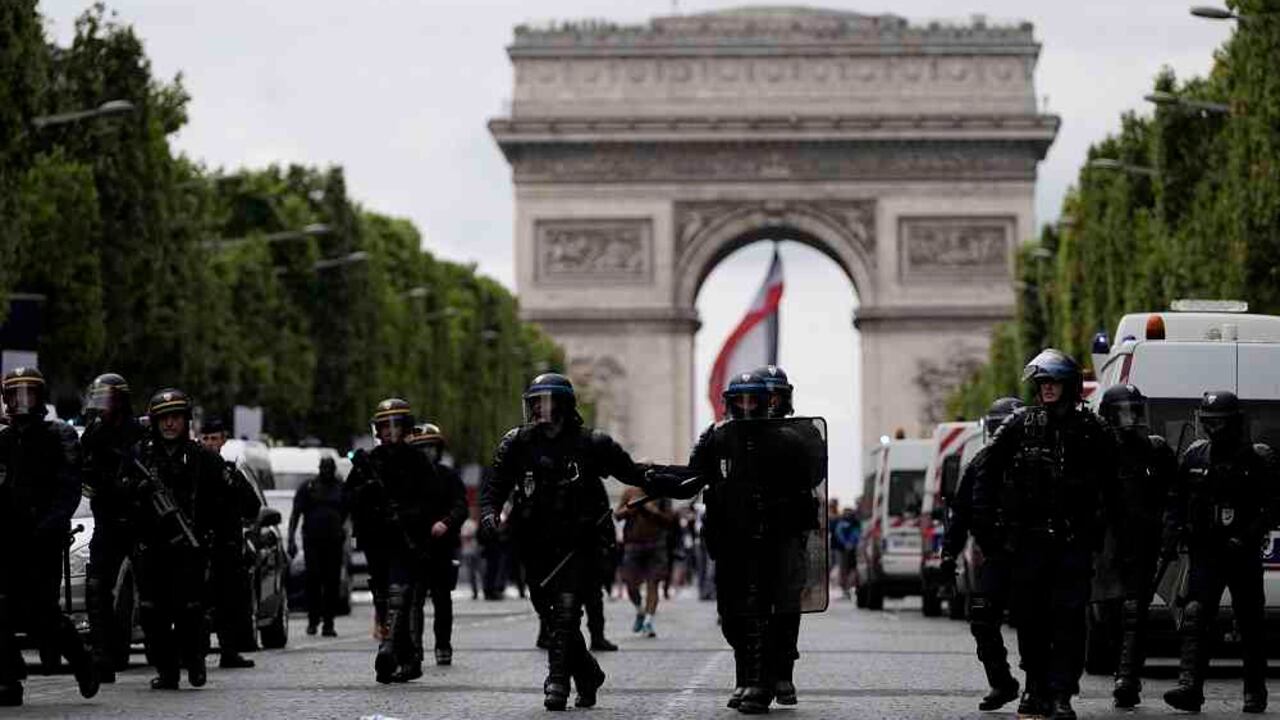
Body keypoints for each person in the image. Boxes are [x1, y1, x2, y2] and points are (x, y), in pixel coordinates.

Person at [649, 368, 827, 715]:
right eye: (740, 400)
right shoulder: (717, 438)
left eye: (755, 400)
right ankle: (747, 677)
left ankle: (762, 683)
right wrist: (652, 477)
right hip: (732, 537)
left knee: (768, 610)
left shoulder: (792, 440)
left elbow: (810, 479)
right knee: (732, 615)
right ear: (730, 403)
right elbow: (693, 477)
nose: (747, 406)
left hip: (777, 537)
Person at [480, 373, 648, 711]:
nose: (539, 410)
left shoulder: (591, 444)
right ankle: (588, 674)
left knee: (566, 614)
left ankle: (557, 682)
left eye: (546, 402)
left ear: (564, 406)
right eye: (535, 403)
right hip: (534, 543)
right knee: (548, 611)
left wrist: (681, 477)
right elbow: (494, 487)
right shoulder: (517, 443)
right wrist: (490, 514)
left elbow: (633, 473)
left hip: (577, 544)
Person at [970, 350, 1116, 720]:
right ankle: (1035, 687)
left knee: (1069, 619)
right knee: (1030, 618)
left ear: (1069, 386)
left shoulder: (1093, 429)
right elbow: (985, 472)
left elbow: (1112, 485)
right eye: (1043, 383)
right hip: (1028, 542)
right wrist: (988, 531)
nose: (1047, 389)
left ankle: (1062, 691)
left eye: (1053, 382)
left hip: (1072, 540)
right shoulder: (1019, 425)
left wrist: (1101, 531)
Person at [1162, 390, 1277, 714]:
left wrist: (1246, 536)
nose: (1213, 429)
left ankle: (1254, 692)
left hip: (1242, 553)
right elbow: (1177, 500)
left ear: (1235, 423)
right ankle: (1190, 687)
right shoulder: (1196, 456)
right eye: (1208, 422)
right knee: (1196, 616)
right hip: (1206, 553)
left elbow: (1270, 507)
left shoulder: (1256, 459)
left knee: (1250, 624)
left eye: (1220, 423)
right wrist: (1172, 535)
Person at [0, 367, 98, 706]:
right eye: (15, 394)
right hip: (9, 538)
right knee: (2, 608)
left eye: (28, 393)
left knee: (41, 613)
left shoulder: (60, 435)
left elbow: (70, 487)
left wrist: (50, 524)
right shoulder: (4, 440)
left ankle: (81, 659)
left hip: (44, 537)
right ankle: (8, 680)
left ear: (40, 397)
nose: (21, 401)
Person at [129, 388, 227, 690]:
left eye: (176, 418)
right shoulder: (141, 457)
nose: (170, 424)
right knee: (152, 613)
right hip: (153, 549)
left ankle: (195, 660)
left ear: (185, 421)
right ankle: (167, 670)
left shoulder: (203, 460)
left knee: (190, 612)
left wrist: (212, 540)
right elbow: (119, 498)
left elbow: (220, 505)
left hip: (189, 549)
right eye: (164, 419)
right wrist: (137, 493)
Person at [345, 398, 441, 684]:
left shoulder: (417, 460)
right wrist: (366, 492)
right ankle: (407, 658)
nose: (389, 432)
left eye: (395, 426)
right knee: (384, 598)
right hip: (377, 538)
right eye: (384, 426)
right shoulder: (369, 461)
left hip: (406, 538)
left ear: (406, 428)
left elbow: (432, 499)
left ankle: (387, 649)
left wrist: (409, 515)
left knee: (400, 596)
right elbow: (347, 498)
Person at [1091, 385, 1175, 708]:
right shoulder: (1099, 452)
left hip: (1142, 541)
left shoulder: (1155, 451)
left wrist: (1168, 527)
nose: (1131, 419)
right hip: (1108, 542)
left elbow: (1174, 494)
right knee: (1109, 612)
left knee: (1134, 611)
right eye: (1124, 412)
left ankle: (1127, 677)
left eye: (1135, 411)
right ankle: (1121, 667)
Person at [940, 396, 1024, 711]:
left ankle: (1040, 688)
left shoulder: (1038, 461)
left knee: (1033, 622)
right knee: (982, 616)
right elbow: (961, 513)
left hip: (1033, 554)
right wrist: (948, 554)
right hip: (996, 555)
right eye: (996, 427)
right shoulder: (980, 463)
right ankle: (1001, 682)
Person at [80, 372, 146, 682]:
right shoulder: (93, 434)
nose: (101, 405)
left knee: (153, 588)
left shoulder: (140, 433)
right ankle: (103, 656)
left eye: (107, 398)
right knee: (96, 586)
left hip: (140, 521)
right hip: (107, 519)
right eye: (98, 397)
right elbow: (81, 471)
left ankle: (167, 652)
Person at [198, 417, 262, 669]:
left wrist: (232, 483)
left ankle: (229, 650)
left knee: (228, 602)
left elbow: (253, 507)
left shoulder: (230, 471)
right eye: (206, 439)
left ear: (223, 440)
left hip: (226, 546)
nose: (211, 443)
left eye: (215, 438)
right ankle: (196, 653)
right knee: (197, 602)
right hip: (198, 546)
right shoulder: (192, 468)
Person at [405, 423, 468, 667]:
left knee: (443, 600)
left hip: (442, 547)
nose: (427, 453)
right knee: (414, 600)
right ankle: (416, 648)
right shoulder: (407, 479)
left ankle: (443, 645)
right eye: (422, 449)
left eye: (431, 448)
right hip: (415, 547)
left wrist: (446, 522)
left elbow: (461, 506)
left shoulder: (448, 476)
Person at [288, 456, 348, 637]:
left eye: (330, 468)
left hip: (334, 541)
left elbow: (347, 511)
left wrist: (342, 529)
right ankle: (313, 620)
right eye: (324, 468)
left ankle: (328, 622)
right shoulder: (309, 487)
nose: (327, 471)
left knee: (332, 583)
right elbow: (296, 514)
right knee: (313, 581)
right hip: (312, 541)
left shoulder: (340, 488)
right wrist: (291, 538)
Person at [616, 485, 676, 638]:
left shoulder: (661, 494)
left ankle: (648, 621)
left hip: (656, 544)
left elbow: (670, 520)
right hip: (633, 544)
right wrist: (631, 509)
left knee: (653, 583)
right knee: (630, 583)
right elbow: (617, 514)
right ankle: (640, 610)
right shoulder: (630, 492)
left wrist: (652, 510)